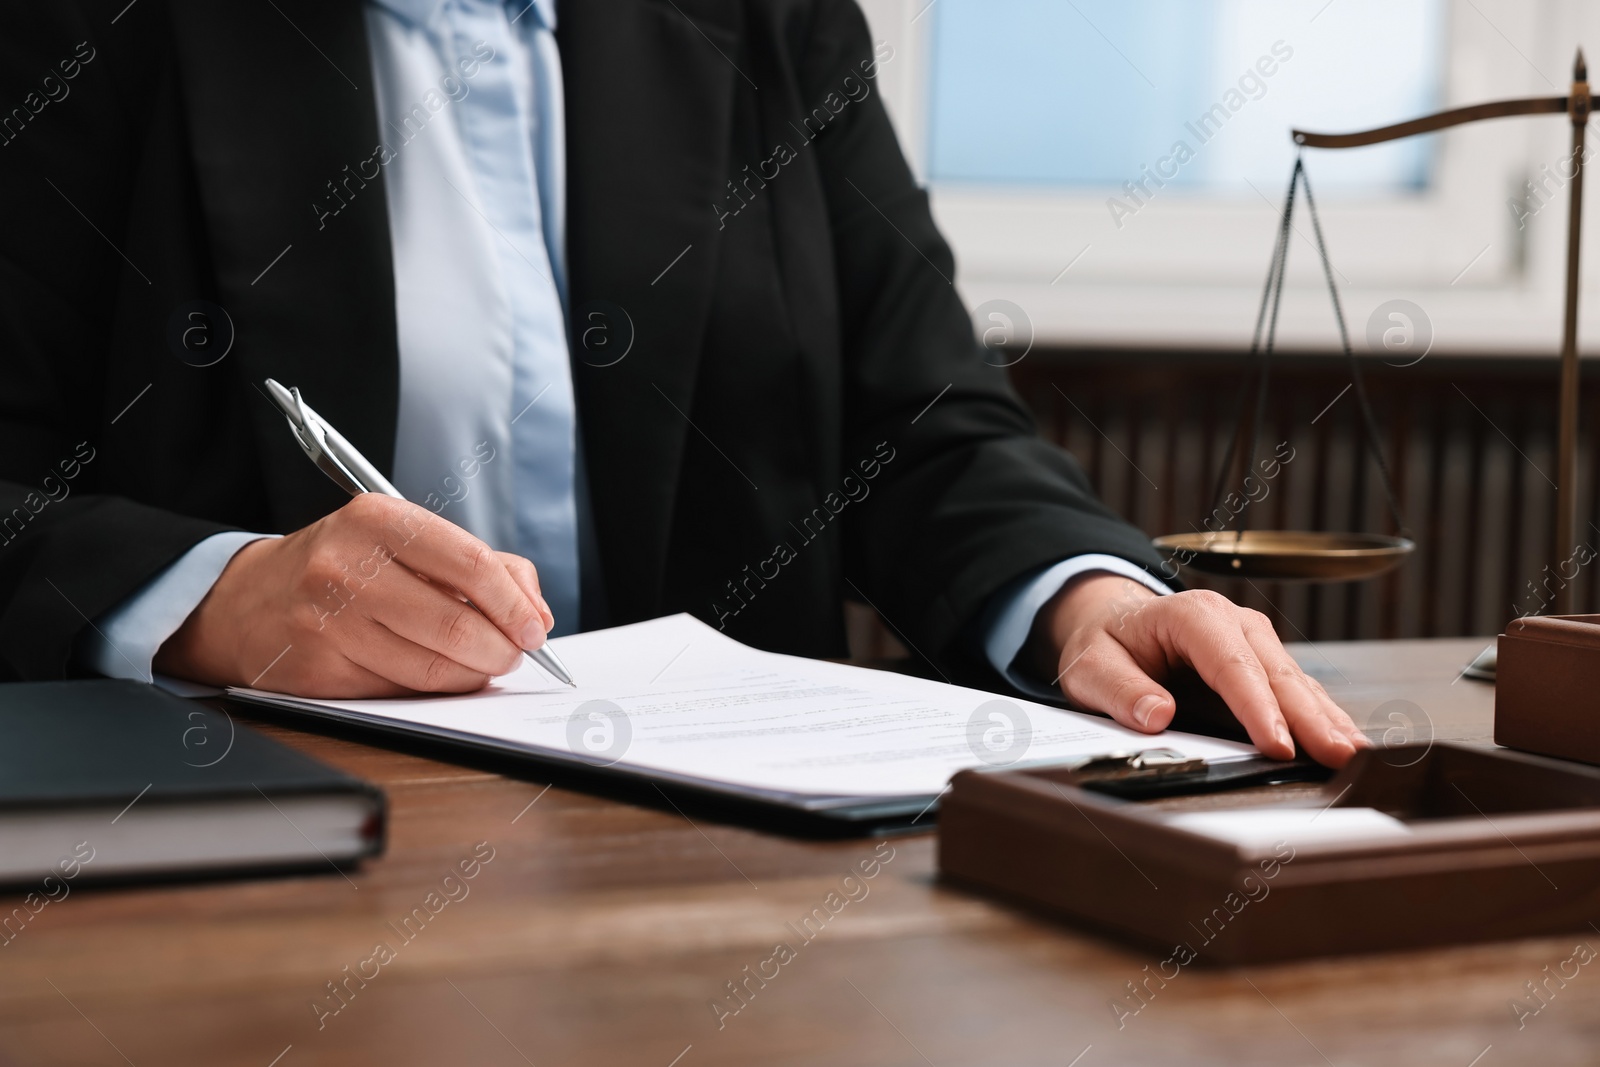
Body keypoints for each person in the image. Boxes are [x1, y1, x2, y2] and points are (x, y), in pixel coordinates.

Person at [0, 0, 1365, 767]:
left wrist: (1084, 596)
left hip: (725, 872)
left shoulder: (774, 20)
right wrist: (212, 601)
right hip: (252, 851)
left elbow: (923, 417)